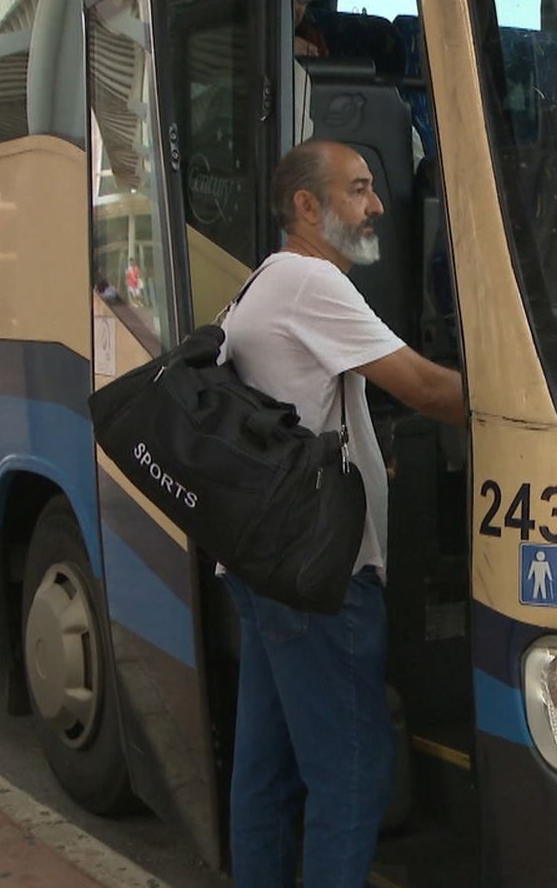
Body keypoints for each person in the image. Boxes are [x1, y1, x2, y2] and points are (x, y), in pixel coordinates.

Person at [219, 138, 463, 888]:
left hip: (267, 564)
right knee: (353, 772)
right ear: (307, 205)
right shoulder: (309, 282)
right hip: (321, 575)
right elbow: (423, 386)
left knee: (268, 767)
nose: (377, 204)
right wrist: (534, 401)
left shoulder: (265, 278)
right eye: (357, 189)